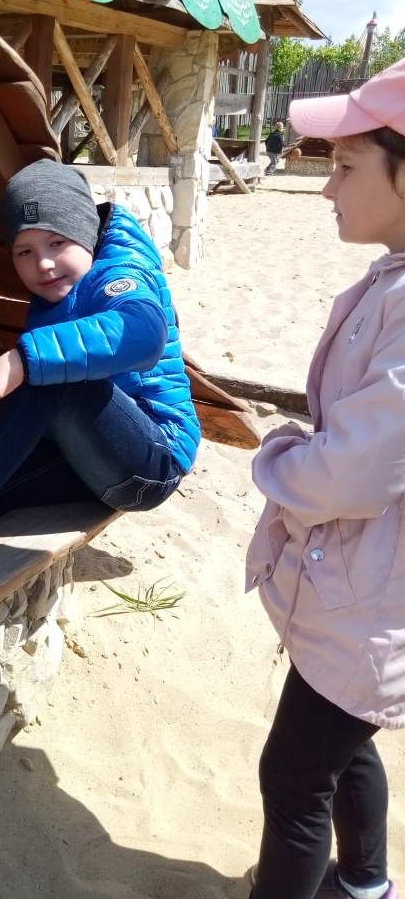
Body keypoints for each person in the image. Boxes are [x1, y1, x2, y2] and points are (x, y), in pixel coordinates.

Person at [0, 159, 200, 591]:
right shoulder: (57, 290)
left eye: (57, 242)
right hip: (82, 456)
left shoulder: (118, 273)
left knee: (48, 373)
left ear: (85, 233)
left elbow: (142, 333)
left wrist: (20, 360)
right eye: (24, 252)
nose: (43, 263)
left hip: (151, 463)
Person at [246, 60, 405, 899]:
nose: (327, 187)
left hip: (374, 602)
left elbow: (353, 470)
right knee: (346, 740)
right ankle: (364, 884)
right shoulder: (393, 279)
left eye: (345, 166)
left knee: (295, 775)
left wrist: (276, 459)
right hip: (364, 590)